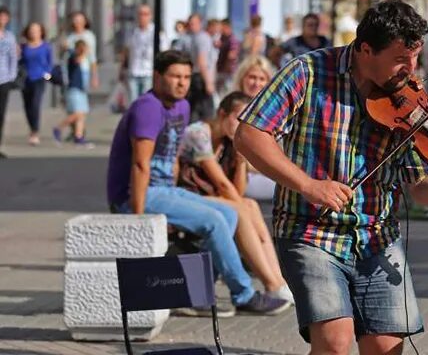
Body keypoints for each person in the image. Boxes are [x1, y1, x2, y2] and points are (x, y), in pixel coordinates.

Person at [234, 0, 428, 353]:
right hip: (310, 229)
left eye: (415, 56)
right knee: (334, 342)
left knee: (386, 347)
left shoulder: (412, 100)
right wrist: (308, 185)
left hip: (377, 237)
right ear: (365, 49)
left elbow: (420, 188)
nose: (410, 68)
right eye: (400, 59)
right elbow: (250, 135)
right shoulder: (307, 72)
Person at [106, 50, 290, 316]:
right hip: (135, 193)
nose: (182, 83)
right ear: (157, 76)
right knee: (213, 220)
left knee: (228, 214)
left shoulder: (182, 106)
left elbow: (174, 158)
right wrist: (138, 216)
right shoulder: (147, 108)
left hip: (165, 189)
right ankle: (244, 294)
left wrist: (177, 195)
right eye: (174, 76)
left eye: (186, 77)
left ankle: (194, 292)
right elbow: (140, 164)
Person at [178, 91, 293, 304]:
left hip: (207, 198)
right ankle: (271, 284)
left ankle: (278, 282)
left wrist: (241, 161)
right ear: (222, 114)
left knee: (249, 204)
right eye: (238, 118)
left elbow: (237, 191)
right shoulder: (198, 133)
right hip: (186, 197)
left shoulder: (228, 141)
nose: (241, 124)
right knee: (242, 209)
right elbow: (222, 184)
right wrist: (245, 211)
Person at [230, 54, 276, 200]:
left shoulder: (274, 111)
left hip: (267, 173)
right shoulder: (232, 108)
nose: (256, 83)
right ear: (242, 78)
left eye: (261, 79)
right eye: (252, 77)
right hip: (242, 174)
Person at [55, 40, 93, 148]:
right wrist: (83, 53)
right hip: (73, 88)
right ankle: (58, 128)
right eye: (83, 48)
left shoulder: (80, 57)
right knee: (77, 114)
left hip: (81, 88)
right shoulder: (73, 56)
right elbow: (77, 61)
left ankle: (78, 137)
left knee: (82, 114)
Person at [20, 22, 53, 146]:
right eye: (32, 30)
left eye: (36, 30)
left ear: (41, 32)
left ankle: (35, 132)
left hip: (39, 78)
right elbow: (20, 62)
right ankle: (31, 128)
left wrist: (47, 74)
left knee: (35, 104)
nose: (34, 32)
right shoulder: (24, 47)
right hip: (26, 79)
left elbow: (49, 62)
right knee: (27, 106)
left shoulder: (46, 46)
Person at [183, 14, 216, 122]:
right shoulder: (202, 38)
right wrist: (208, 83)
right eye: (190, 24)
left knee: (194, 110)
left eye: (194, 23)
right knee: (207, 113)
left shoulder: (191, 38)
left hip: (195, 76)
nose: (192, 26)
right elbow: (202, 62)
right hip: (200, 78)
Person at [124, 5, 157, 102]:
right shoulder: (133, 32)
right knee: (133, 102)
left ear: (150, 16)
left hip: (148, 72)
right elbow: (126, 51)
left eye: (146, 14)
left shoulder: (155, 32)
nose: (143, 17)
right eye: (140, 14)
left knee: (146, 102)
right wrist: (121, 69)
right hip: (134, 71)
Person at [0, 7, 18, 158]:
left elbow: (13, 57)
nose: (2, 19)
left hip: (4, 79)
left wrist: (12, 76)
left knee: (1, 114)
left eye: (5, 17)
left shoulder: (9, 37)